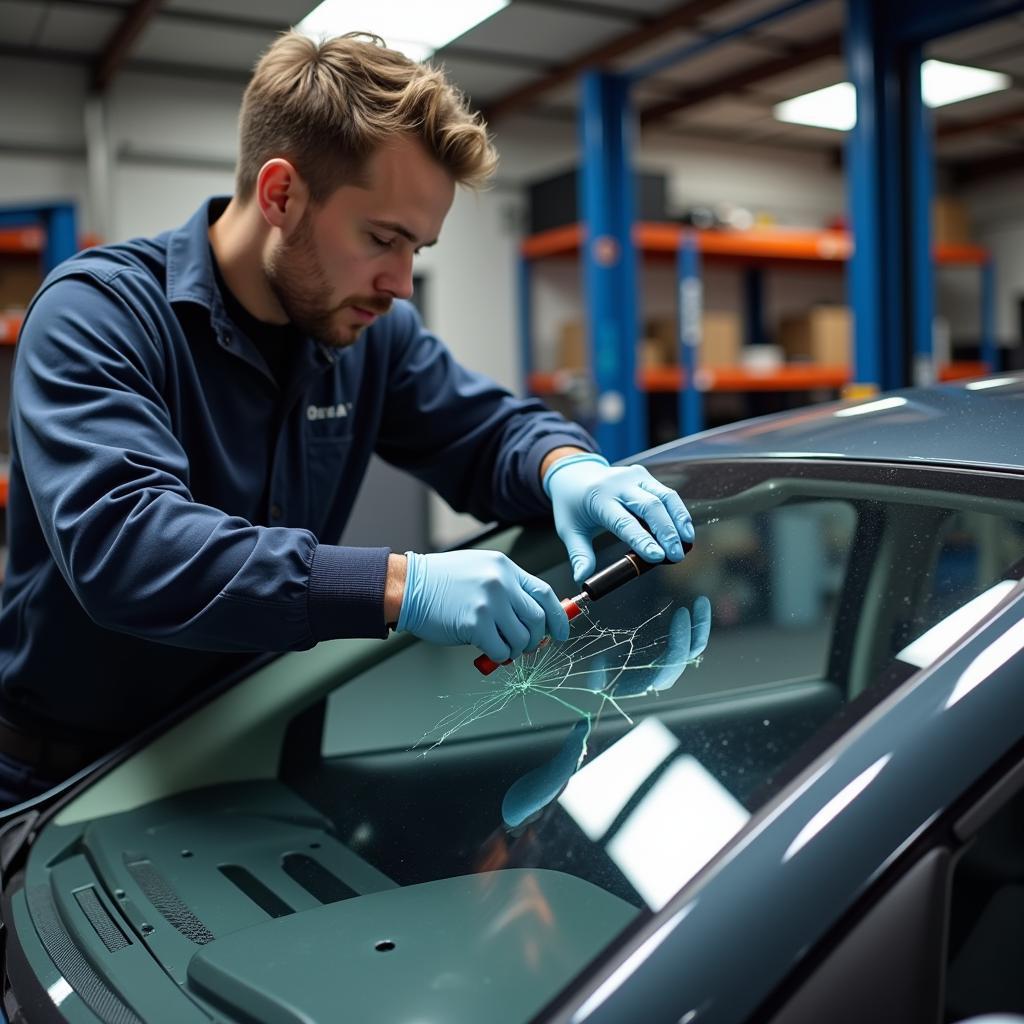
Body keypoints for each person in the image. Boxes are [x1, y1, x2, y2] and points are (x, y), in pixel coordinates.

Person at [0, 31, 693, 805]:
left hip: (253, 752)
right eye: (382, 240)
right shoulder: (98, 314)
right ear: (280, 195)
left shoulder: (371, 333)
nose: (400, 284)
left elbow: (487, 431)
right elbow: (125, 545)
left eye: (418, 248)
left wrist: (568, 467)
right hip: (67, 779)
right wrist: (403, 585)